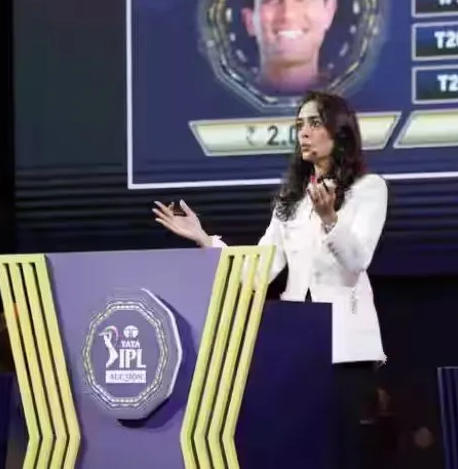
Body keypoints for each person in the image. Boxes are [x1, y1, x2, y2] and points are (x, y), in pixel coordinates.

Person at [153, 90, 387, 469]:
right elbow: (258, 271)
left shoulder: (369, 189)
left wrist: (330, 219)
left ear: (339, 131)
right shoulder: (291, 199)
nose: (304, 133)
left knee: (346, 452)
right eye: (300, 125)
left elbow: (358, 260)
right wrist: (206, 240)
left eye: (314, 123)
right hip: (296, 345)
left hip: (346, 347)